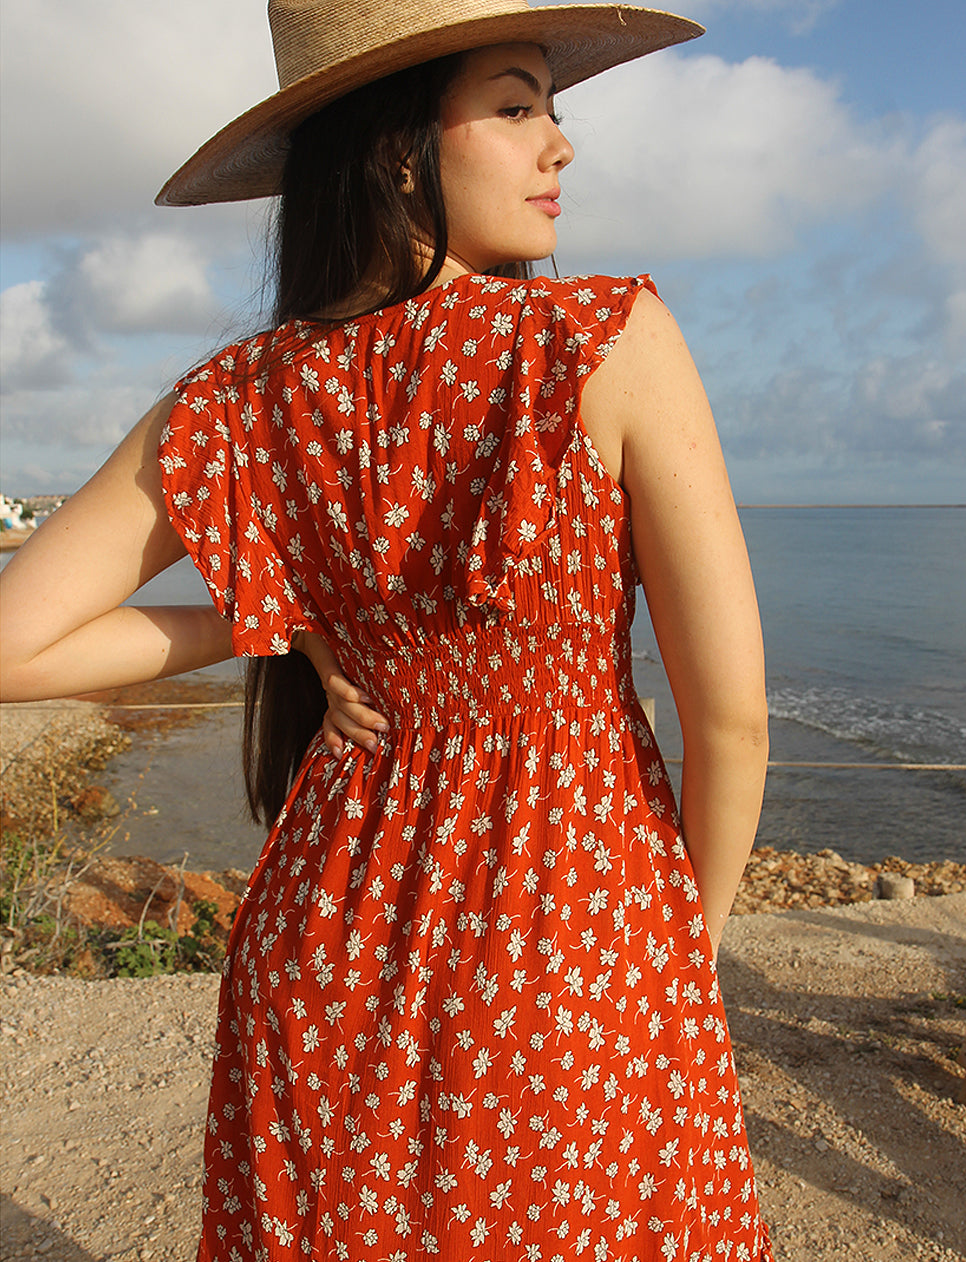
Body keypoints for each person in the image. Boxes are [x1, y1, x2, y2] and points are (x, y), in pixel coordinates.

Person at [0, 1, 772, 1257]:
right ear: (396, 146)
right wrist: (685, 959)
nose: (559, 144)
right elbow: (729, 718)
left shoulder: (239, 396)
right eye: (518, 104)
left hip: (323, 950)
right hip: (575, 946)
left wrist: (269, 619)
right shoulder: (598, 340)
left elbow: (12, 646)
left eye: (553, 110)